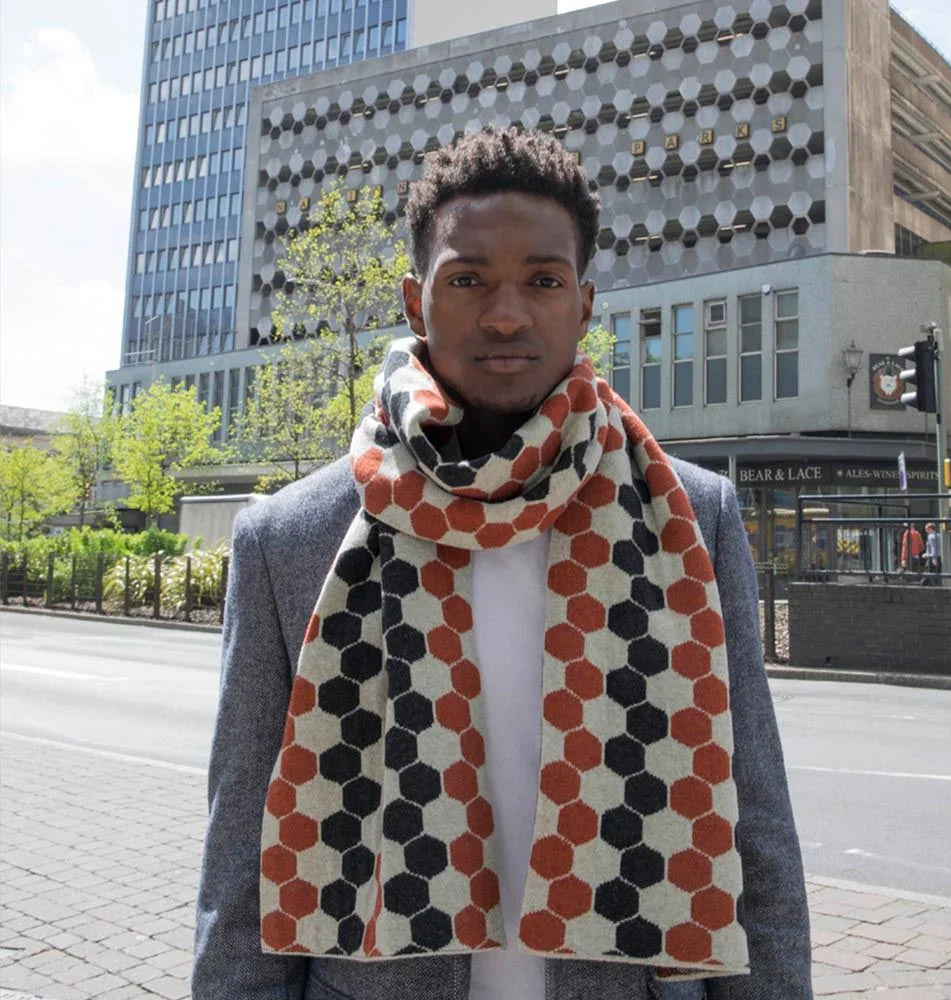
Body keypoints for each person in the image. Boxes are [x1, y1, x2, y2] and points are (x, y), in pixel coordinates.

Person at [193, 127, 812, 1000]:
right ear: (416, 301)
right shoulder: (290, 539)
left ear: (586, 303)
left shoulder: (690, 519)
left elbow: (758, 833)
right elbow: (239, 867)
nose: (508, 313)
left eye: (543, 280)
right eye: (469, 278)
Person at [922, 522, 941, 586]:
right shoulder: (938, 535)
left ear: (930, 528)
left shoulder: (930, 537)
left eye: (926, 528)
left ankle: (923, 585)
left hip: (932, 558)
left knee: (927, 573)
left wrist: (933, 558)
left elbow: (933, 548)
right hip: (938, 557)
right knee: (935, 574)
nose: (925, 530)